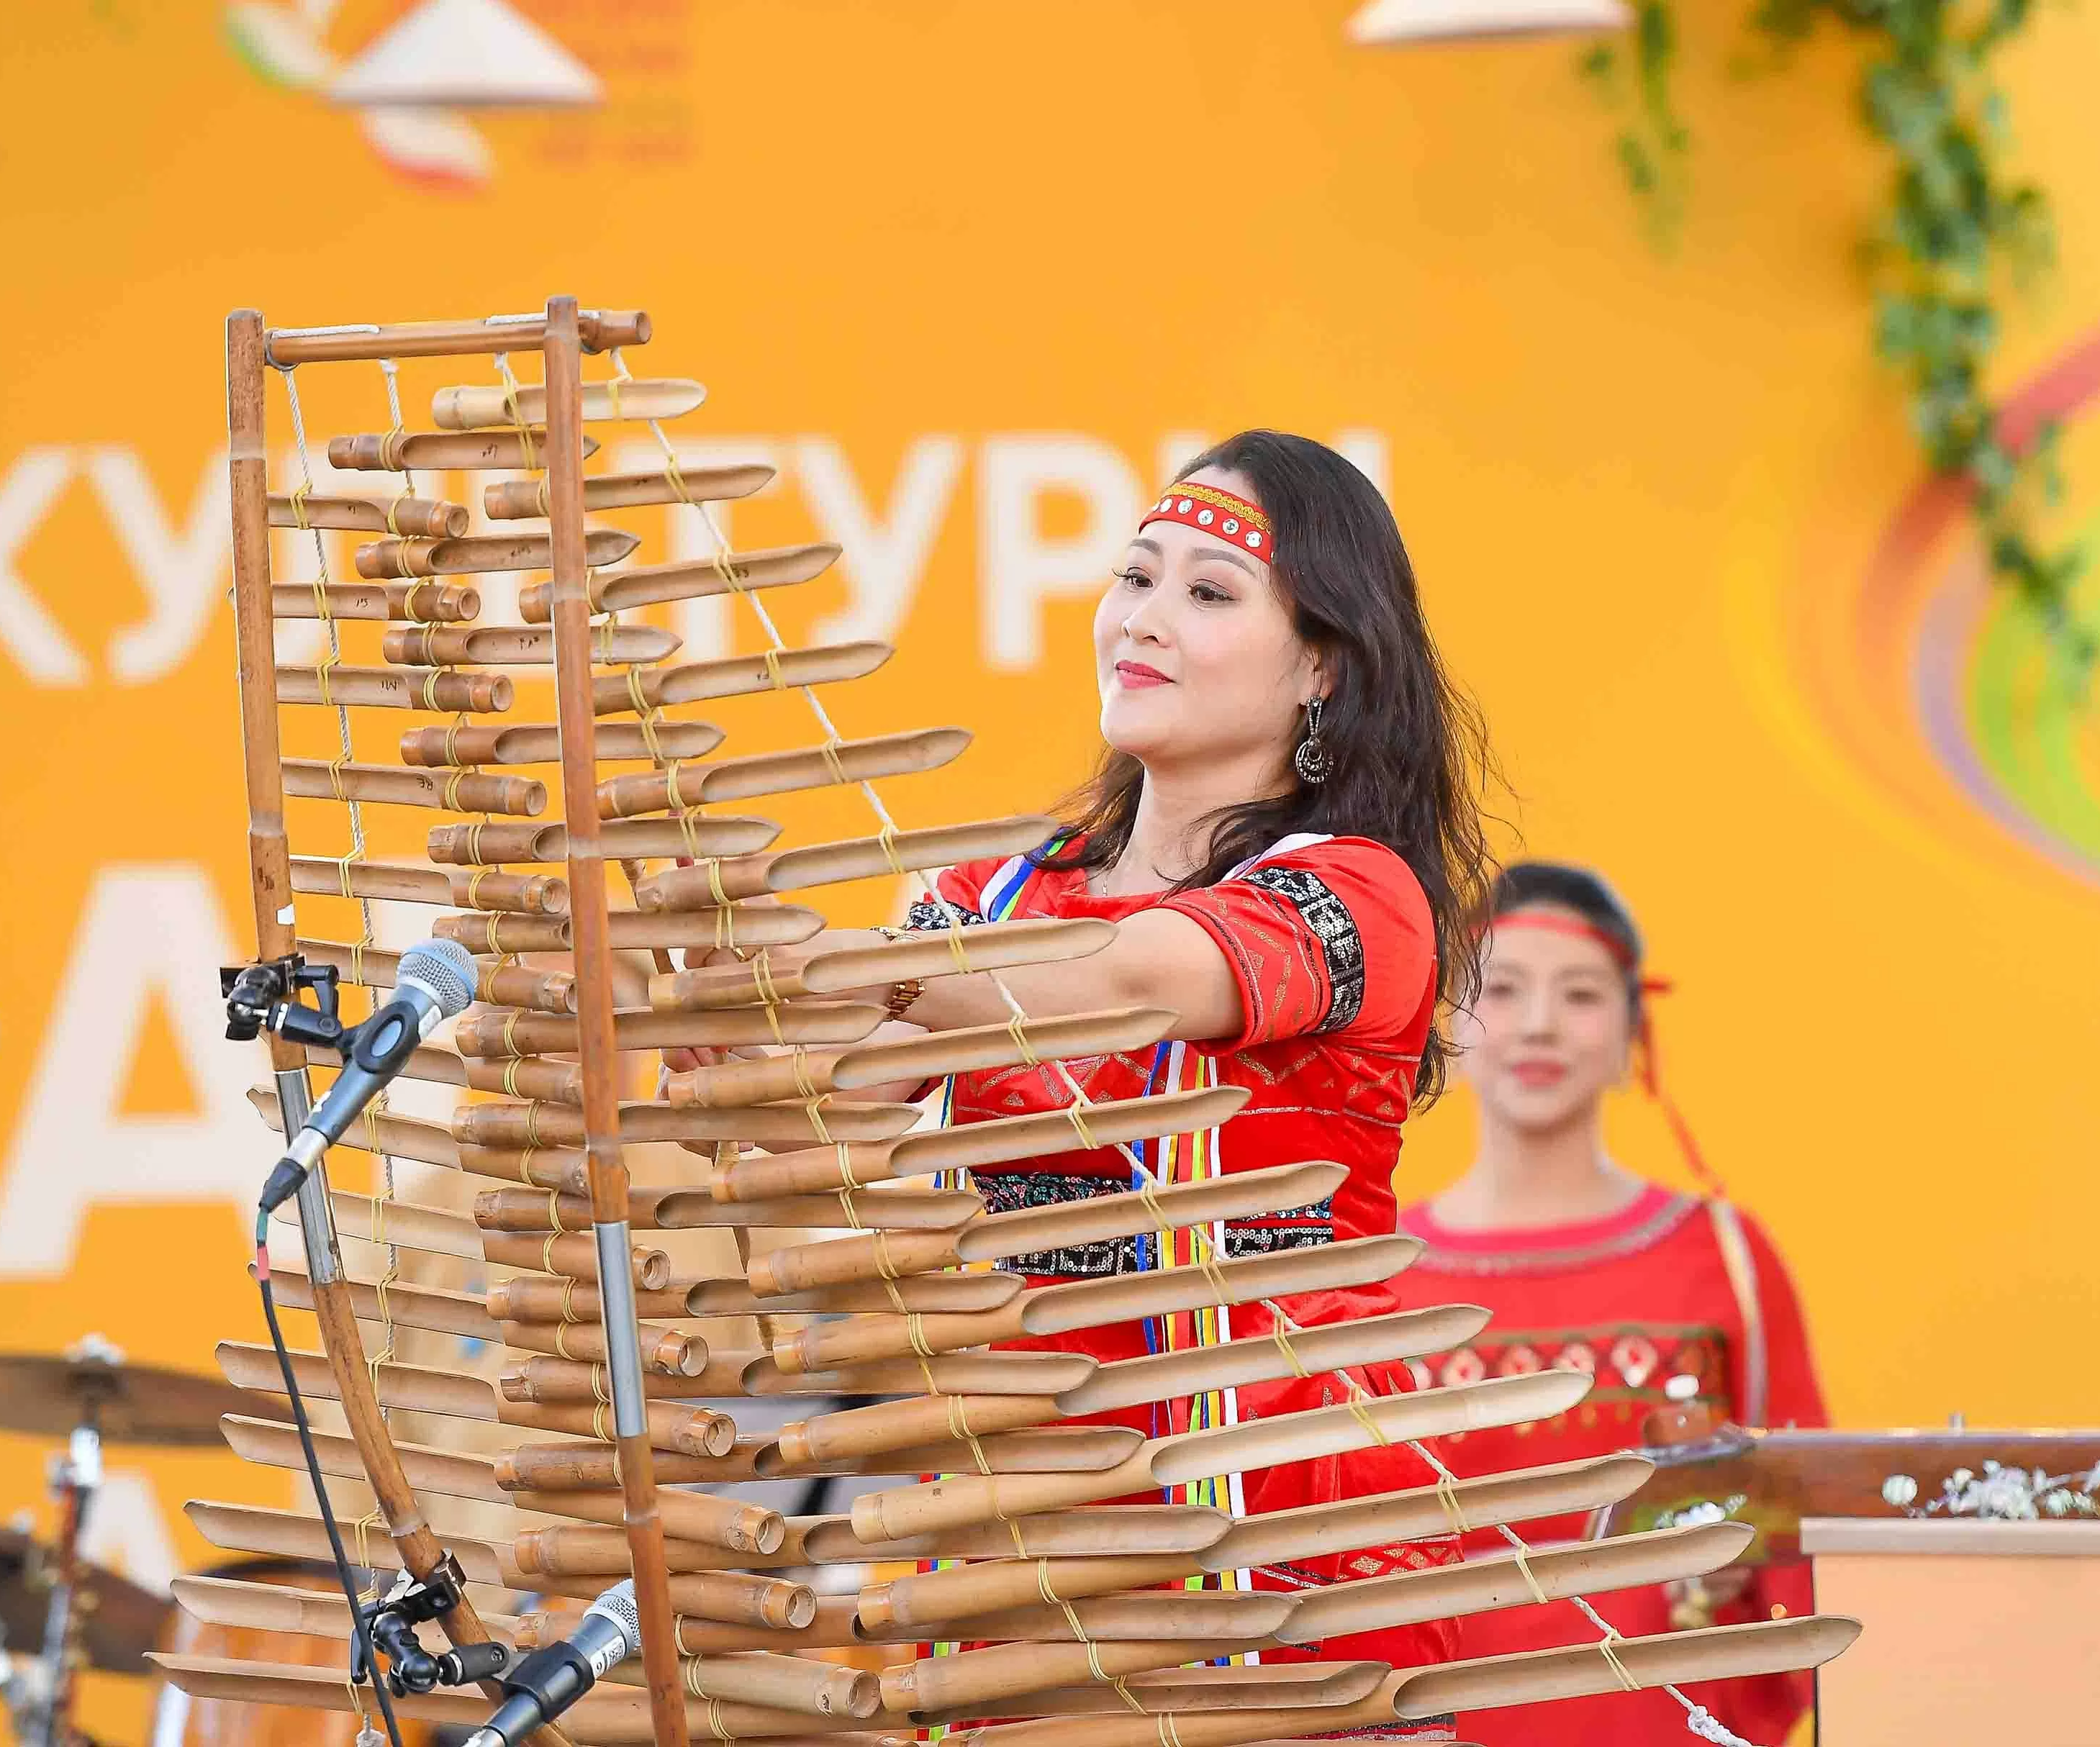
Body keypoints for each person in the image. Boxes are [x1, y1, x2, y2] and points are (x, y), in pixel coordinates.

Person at [674, 431, 1495, 1721]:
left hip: (1279, 1516)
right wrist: (708, 1028)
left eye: (1209, 592)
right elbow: (819, 1130)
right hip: (1024, 1516)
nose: (1144, 619)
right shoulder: (994, 893)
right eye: (1134, 577)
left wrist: (833, 962)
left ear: (1323, 667)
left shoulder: (1355, 892)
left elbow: (1124, 980)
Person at [1395, 861, 1827, 1746]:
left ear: (1633, 1028)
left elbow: (1805, 1514)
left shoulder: (1726, 1255)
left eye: (1581, 994)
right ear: (1446, 1023)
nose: (1539, 1023)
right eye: (1501, 989)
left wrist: (1746, 1608)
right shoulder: (1375, 1278)